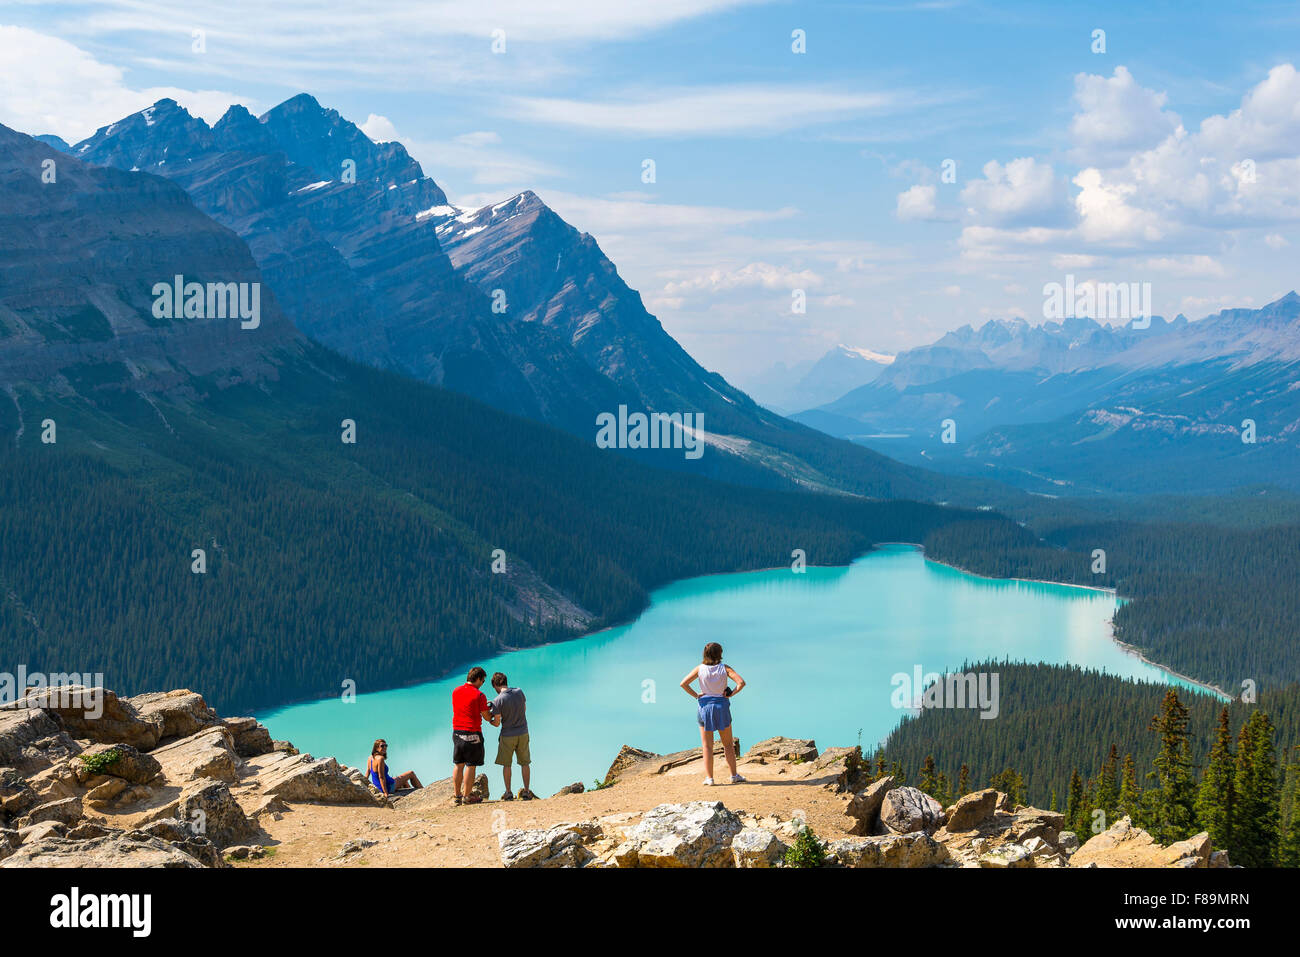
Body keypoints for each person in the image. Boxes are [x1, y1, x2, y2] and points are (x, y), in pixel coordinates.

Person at [679, 642, 746, 786]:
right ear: (720, 653)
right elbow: (741, 683)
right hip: (721, 706)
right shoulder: (725, 668)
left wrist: (697, 695)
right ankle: (734, 775)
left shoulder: (700, 669)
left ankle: (709, 778)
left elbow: (683, 684)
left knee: (707, 746)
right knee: (728, 745)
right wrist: (730, 694)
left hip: (704, 708)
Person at [452, 666, 500, 805]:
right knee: (471, 766)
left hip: (457, 732)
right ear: (478, 679)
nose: (482, 684)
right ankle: (467, 797)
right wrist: (492, 712)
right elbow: (486, 716)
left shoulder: (456, 691)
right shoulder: (479, 695)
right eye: (483, 681)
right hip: (472, 733)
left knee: (458, 764)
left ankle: (457, 795)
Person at [488, 672, 534, 801]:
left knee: (507, 764)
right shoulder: (519, 691)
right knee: (525, 763)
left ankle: (508, 793)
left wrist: (489, 719)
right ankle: (526, 791)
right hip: (523, 732)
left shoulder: (498, 701)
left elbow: (497, 723)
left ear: (495, 685)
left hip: (507, 735)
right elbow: (523, 709)